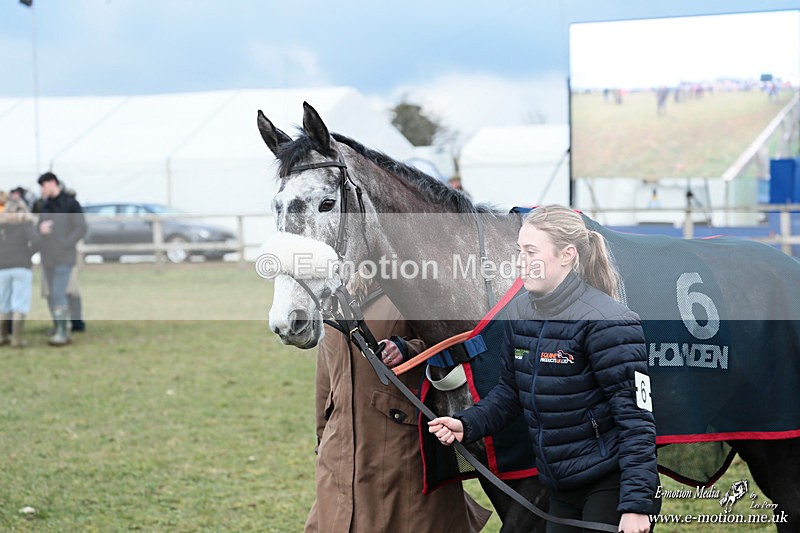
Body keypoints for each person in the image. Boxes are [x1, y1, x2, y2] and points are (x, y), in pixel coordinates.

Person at [428, 205, 659, 533]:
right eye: (519, 250)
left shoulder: (609, 323)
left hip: (611, 484)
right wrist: (467, 424)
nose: (521, 260)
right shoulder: (520, 310)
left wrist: (636, 506)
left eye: (531, 251)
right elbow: (510, 392)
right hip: (559, 484)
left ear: (566, 255)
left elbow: (636, 422)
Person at [305, 269, 491, 533]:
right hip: (340, 442)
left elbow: (447, 344)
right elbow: (325, 376)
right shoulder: (327, 296)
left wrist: (406, 348)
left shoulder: (405, 287)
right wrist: (323, 436)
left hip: (400, 440)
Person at [36, 172, 87, 346]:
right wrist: (40, 229)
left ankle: (63, 332)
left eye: (43, 185)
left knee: (59, 292)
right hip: (48, 256)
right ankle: (58, 325)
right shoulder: (44, 206)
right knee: (51, 294)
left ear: (52, 183)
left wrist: (66, 243)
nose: (42, 190)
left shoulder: (70, 204)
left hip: (64, 256)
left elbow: (81, 228)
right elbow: (39, 227)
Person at [0, 198, 40, 348]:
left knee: (3, 303)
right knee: (20, 303)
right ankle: (16, 339)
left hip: (2, 267)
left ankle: (2, 336)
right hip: (21, 267)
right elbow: (37, 241)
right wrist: (28, 254)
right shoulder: (25, 225)